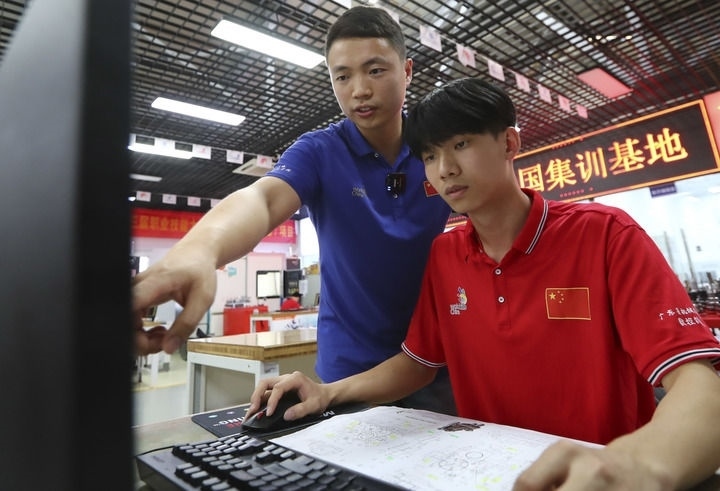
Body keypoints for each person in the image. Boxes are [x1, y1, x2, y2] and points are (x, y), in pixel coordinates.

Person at [247, 77, 720, 490]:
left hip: (594, 477)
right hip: (488, 476)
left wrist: (639, 464)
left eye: (461, 144)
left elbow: (698, 383)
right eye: (430, 155)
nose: (445, 169)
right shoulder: (445, 255)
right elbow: (417, 364)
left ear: (509, 143)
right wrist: (327, 392)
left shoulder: (606, 235)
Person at [132, 6, 456, 414]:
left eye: (375, 70)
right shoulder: (320, 151)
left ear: (407, 71)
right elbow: (263, 199)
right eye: (342, 76)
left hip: (436, 363)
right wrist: (200, 250)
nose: (359, 90)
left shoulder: (439, 146)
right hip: (348, 373)